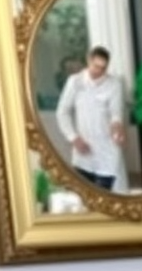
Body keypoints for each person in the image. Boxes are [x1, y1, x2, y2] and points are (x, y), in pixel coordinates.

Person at [54, 46, 126, 191]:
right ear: (88, 61)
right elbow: (62, 112)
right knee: (83, 197)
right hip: (83, 152)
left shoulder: (114, 85)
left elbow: (115, 113)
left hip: (107, 152)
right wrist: (73, 137)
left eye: (103, 68)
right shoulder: (75, 82)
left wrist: (117, 126)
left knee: (104, 198)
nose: (99, 71)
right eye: (96, 66)